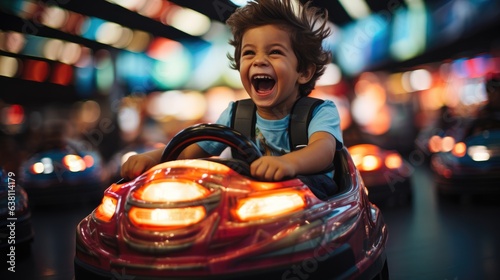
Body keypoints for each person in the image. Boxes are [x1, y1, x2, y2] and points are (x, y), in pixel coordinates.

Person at [121, 0, 344, 199]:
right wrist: (154, 157)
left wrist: (288, 164)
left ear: (303, 71)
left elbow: (323, 151)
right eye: (249, 53)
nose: (259, 61)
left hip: (311, 200)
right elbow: (190, 152)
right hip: (251, 202)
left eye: (274, 52)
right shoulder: (236, 115)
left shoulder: (320, 112)